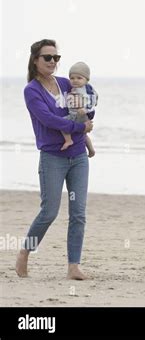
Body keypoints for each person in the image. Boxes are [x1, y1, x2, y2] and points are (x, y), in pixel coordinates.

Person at [15, 39, 94, 280]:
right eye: (47, 57)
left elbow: (87, 100)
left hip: (78, 156)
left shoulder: (65, 83)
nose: (52, 62)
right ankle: (25, 252)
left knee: (78, 213)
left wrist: (88, 115)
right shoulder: (32, 90)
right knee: (49, 211)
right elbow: (49, 119)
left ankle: (73, 266)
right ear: (35, 60)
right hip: (52, 157)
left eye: (56, 58)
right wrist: (79, 127)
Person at [62, 61, 98, 158]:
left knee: (63, 123)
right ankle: (91, 150)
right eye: (72, 78)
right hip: (76, 114)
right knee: (84, 135)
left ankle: (68, 140)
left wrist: (85, 109)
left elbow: (93, 100)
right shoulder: (75, 88)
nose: (75, 80)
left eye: (79, 78)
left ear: (86, 80)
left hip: (81, 115)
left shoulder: (87, 89)